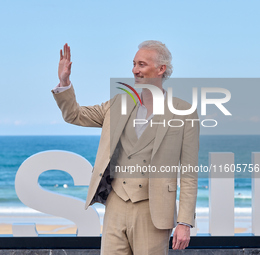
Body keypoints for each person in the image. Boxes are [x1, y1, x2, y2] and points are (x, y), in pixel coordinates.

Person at [52, 41, 199, 255]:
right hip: (116, 205)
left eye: (141, 64)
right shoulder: (117, 104)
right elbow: (74, 115)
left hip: (154, 211)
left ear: (161, 69)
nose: (135, 70)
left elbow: (189, 173)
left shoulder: (184, 112)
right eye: (133, 64)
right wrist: (64, 82)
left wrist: (185, 222)